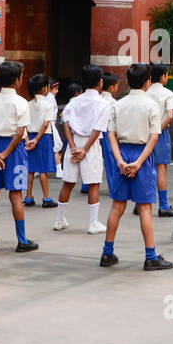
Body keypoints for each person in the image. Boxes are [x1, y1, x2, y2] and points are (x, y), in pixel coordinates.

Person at [100, 63, 173, 271]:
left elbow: (111, 135)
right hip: (142, 154)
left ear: (128, 81)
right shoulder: (151, 106)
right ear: (148, 82)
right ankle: (150, 256)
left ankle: (107, 253)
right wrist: (139, 162)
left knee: (117, 206)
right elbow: (154, 137)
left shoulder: (118, 105)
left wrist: (119, 160)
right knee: (144, 208)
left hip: (122, 153)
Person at [0, 60, 38, 252]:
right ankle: (22, 240)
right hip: (14, 151)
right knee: (16, 195)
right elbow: (20, 132)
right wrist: (5, 154)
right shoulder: (21, 103)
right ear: (17, 80)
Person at [53, 65, 108, 235]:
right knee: (93, 184)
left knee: (68, 183)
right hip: (90, 145)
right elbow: (97, 129)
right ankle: (93, 223)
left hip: (74, 143)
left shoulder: (74, 101)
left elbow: (66, 123)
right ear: (100, 82)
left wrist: (73, 147)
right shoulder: (103, 103)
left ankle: (59, 220)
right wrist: (84, 150)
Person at [146, 62, 173, 217]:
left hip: (145, 133)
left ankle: (141, 202)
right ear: (163, 76)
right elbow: (170, 115)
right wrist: (158, 130)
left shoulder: (145, 92)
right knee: (161, 169)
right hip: (160, 133)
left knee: (146, 168)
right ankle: (163, 205)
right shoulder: (168, 93)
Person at [23, 74, 57, 208]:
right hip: (43, 138)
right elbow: (46, 123)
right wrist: (37, 140)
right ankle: (46, 198)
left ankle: (28, 197)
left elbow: (24, 124)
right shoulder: (48, 105)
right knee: (43, 170)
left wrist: (28, 140)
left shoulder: (27, 104)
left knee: (30, 169)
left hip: (29, 137)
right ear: (44, 88)